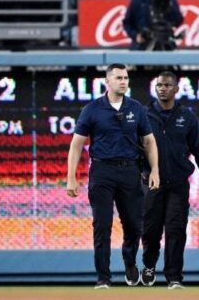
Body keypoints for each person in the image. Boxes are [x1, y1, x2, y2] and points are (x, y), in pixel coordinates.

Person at [66, 63, 160, 290]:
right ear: (107, 82)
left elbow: (149, 141)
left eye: (126, 78)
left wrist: (155, 170)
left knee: (134, 225)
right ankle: (103, 278)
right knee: (102, 225)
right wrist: (71, 177)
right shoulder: (92, 109)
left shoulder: (136, 108)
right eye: (118, 78)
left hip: (129, 171)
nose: (123, 82)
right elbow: (76, 144)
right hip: (101, 171)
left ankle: (129, 263)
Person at [140, 70, 199, 289]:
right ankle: (149, 266)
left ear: (176, 89)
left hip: (177, 184)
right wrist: (139, 173)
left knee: (175, 230)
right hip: (151, 183)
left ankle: (174, 277)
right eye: (159, 85)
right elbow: (133, 148)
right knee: (151, 231)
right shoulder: (143, 115)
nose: (162, 89)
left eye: (167, 85)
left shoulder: (187, 116)